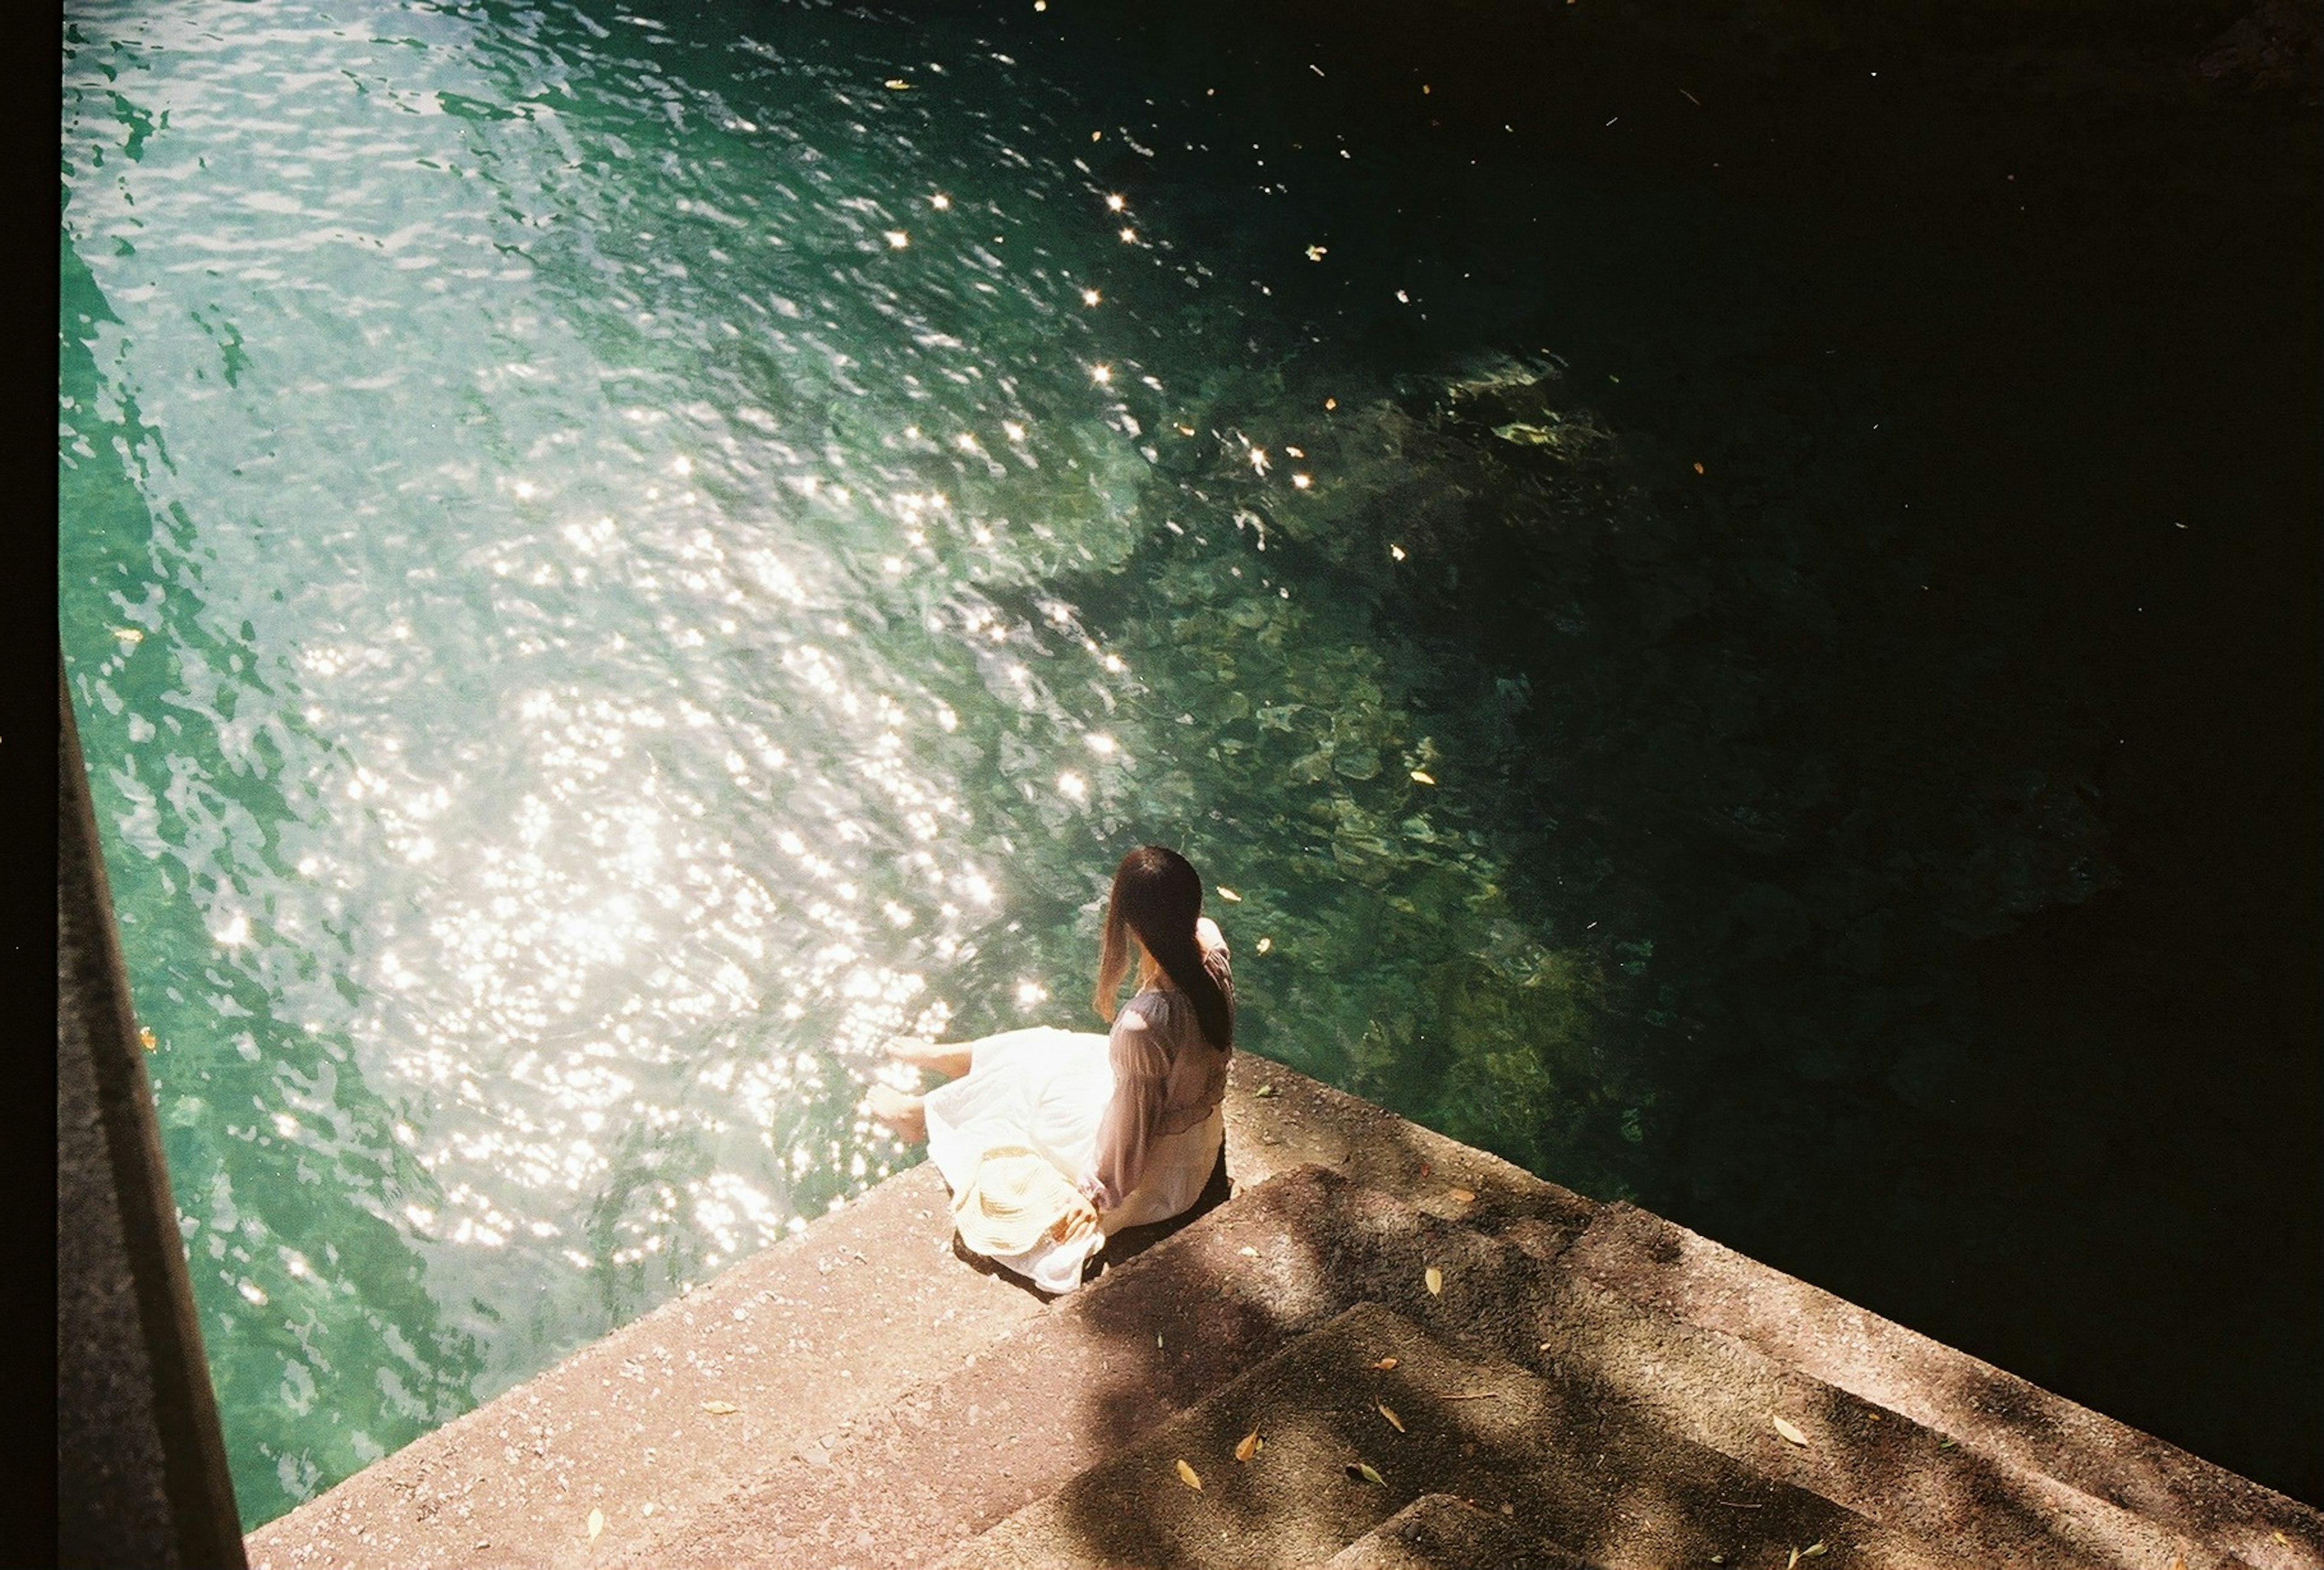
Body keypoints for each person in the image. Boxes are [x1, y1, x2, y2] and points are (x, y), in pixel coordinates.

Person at [864, 845, 1235, 1292]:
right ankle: (950, 1061)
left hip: (1160, 1175)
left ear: (1131, 924)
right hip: (1196, 1138)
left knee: (1028, 1086)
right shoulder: (1210, 945)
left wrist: (1097, 1196)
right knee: (1051, 1047)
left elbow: (1133, 1125)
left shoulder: (1146, 1024)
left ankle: (920, 1115)